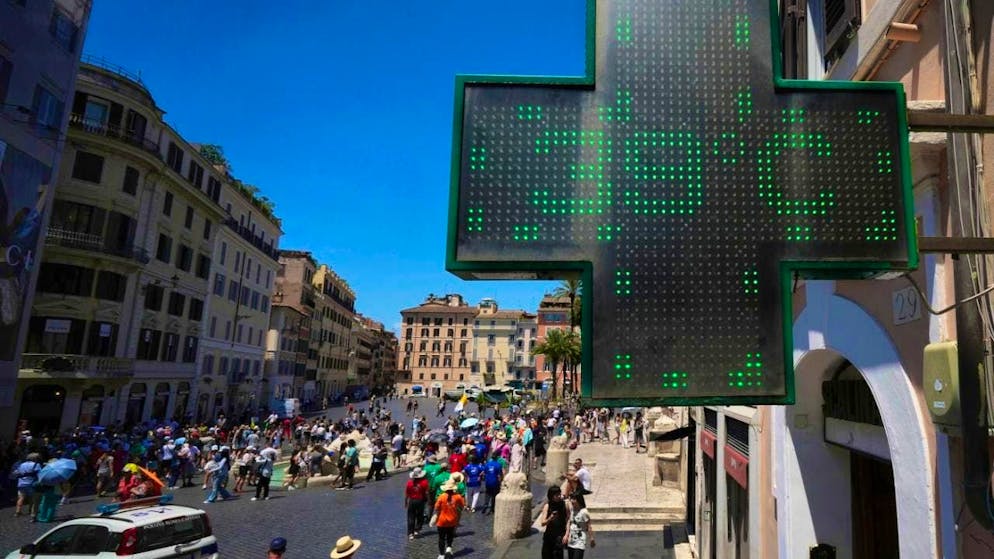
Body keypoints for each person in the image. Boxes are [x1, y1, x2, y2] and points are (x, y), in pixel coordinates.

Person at [432, 478, 465, 559]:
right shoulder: (458, 496)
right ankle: (448, 549)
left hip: (442, 521)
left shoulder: (441, 496)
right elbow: (462, 505)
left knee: (441, 538)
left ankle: (441, 554)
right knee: (450, 536)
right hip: (453, 520)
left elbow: (436, 508)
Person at [540, 486, 568, 559]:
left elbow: (568, 520)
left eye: (559, 494)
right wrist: (550, 518)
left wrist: (567, 534)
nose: (559, 496)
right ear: (551, 496)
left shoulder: (564, 505)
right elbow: (542, 523)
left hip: (559, 536)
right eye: (556, 495)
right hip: (549, 537)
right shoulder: (547, 506)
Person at [564, 492, 594, 558]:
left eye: (574, 499)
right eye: (571, 499)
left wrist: (591, 538)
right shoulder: (572, 510)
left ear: (579, 500)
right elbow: (569, 521)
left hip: (580, 541)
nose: (572, 501)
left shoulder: (584, 512)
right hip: (571, 540)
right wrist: (566, 534)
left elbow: (589, 526)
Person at [12, 453, 41, 518]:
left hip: (21, 483)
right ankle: (31, 511)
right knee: (32, 498)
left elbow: (16, 472)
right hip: (31, 483)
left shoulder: (22, 464)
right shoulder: (36, 465)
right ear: (35, 458)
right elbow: (39, 474)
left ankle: (17, 512)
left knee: (21, 498)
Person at [405, 467, 429, 540]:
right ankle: (417, 529)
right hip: (420, 501)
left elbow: (407, 494)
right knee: (420, 516)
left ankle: (410, 533)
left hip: (412, 501)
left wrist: (406, 502)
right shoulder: (424, 482)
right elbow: (426, 493)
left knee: (411, 517)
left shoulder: (409, 483)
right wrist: (428, 500)